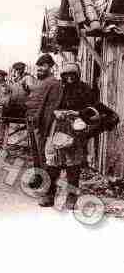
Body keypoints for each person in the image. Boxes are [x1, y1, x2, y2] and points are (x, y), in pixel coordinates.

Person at [35, 62, 98, 209]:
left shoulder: (85, 89)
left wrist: (78, 113)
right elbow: (47, 107)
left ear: (77, 75)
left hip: (76, 129)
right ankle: (49, 194)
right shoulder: (56, 88)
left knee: (73, 165)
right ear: (62, 76)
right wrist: (55, 113)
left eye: (72, 75)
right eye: (66, 75)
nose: (69, 78)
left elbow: (93, 108)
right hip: (56, 127)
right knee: (52, 162)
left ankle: (71, 197)